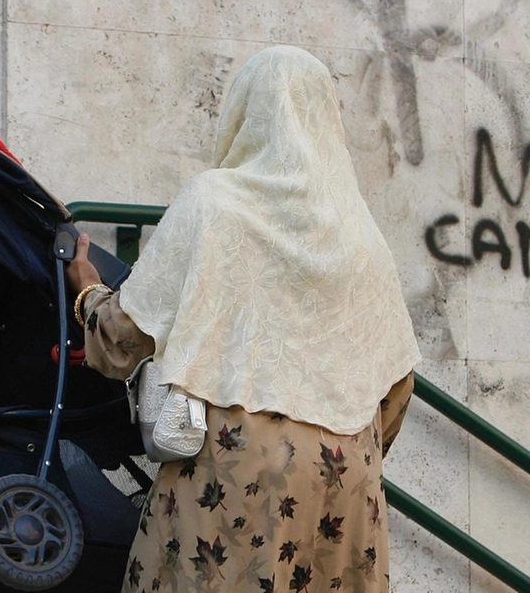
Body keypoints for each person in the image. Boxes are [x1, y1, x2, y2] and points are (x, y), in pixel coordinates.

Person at [66, 45, 420, 593]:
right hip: (347, 469)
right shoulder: (361, 233)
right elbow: (398, 383)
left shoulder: (214, 204)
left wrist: (86, 289)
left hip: (241, 461)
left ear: (246, 113)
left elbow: (121, 340)